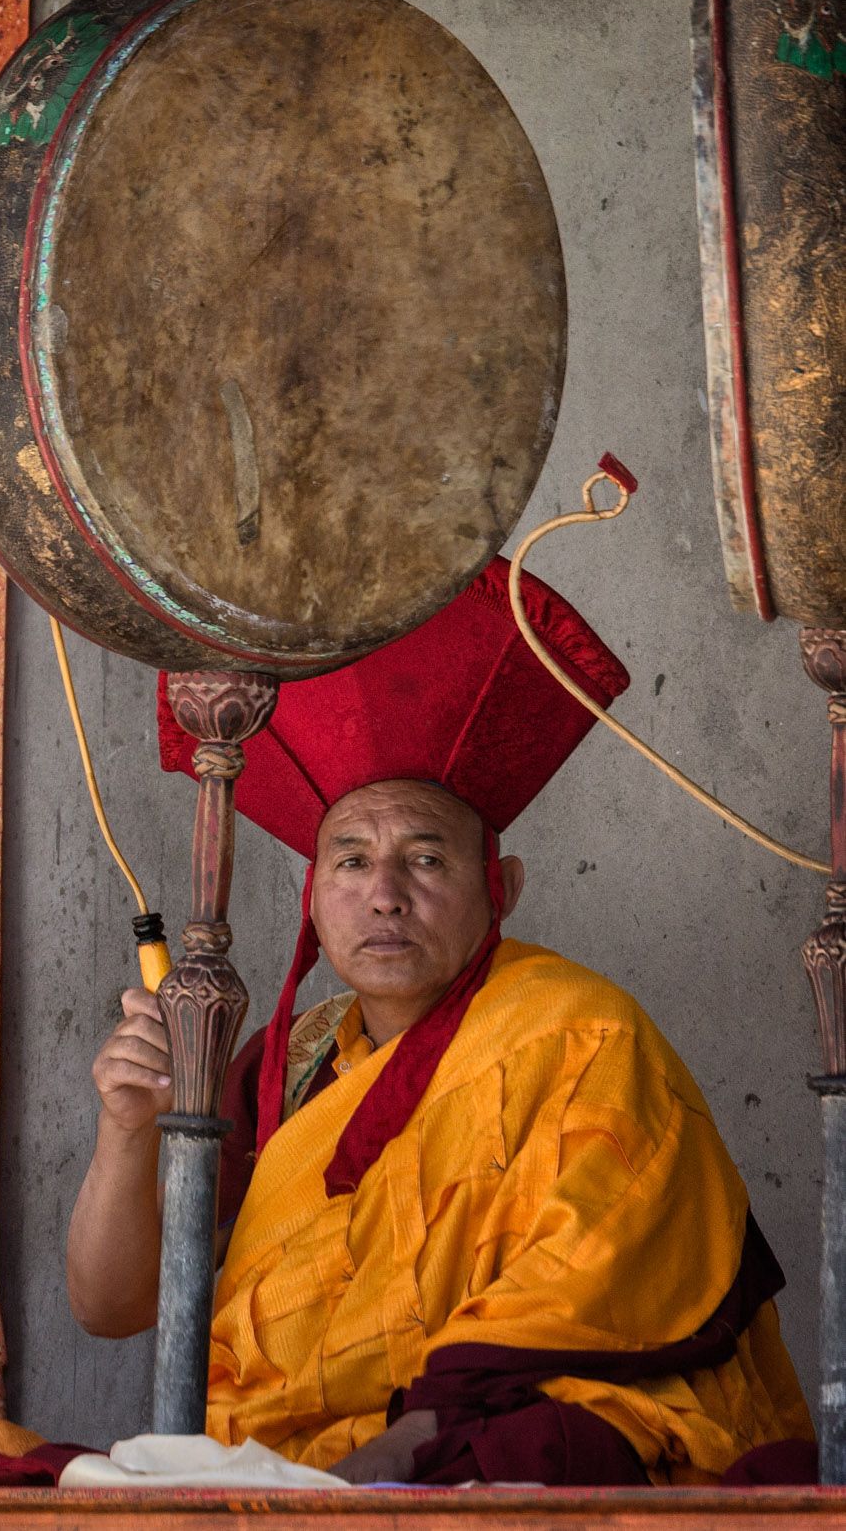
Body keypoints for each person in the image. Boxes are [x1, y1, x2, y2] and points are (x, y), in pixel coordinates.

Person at [67, 559, 815, 1486]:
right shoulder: (289, 1067)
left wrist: (387, 1466)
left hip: (455, 1444)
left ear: (500, 889)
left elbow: (582, 1287)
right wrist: (129, 1127)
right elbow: (112, 1306)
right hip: (281, 1464)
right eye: (349, 861)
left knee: (547, 1447)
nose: (384, 896)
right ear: (313, 896)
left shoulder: (579, 1036)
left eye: (425, 859)